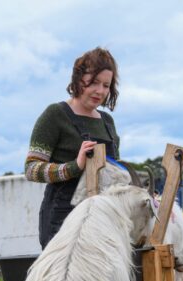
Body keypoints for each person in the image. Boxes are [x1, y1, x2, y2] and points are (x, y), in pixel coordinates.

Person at [24, 47, 121, 248]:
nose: (100, 91)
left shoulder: (107, 122)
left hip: (103, 222)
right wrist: (74, 166)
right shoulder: (55, 115)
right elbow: (31, 170)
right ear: (78, 79)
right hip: (62, 221)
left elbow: (116, 173)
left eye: (106, 85)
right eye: (94, 82)